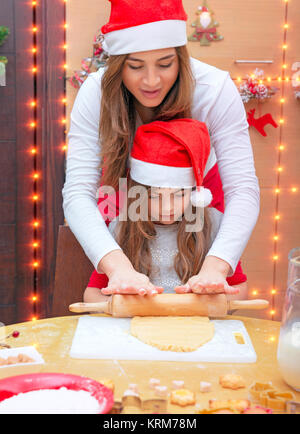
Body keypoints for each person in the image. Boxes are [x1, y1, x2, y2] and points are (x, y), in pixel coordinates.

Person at [62, 0, 259, 298]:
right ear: (117, 65)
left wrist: (216, 268)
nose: (152, 81)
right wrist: (118, 269)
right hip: (127, 189)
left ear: (181, 57)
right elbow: (78, 192)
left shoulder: (214, 89)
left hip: (199, 191)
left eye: (165, 64)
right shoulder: (96, 93)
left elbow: (243, 189)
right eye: (135, 66)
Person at [83, 119, 247, 304]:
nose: (168, 207)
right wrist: (123, 304)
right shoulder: (121, 228)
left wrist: (211, 300)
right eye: (154, 196)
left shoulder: (216, 225)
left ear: (194, 193)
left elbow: (240, 289)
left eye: (179, 195)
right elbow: (91, 295)